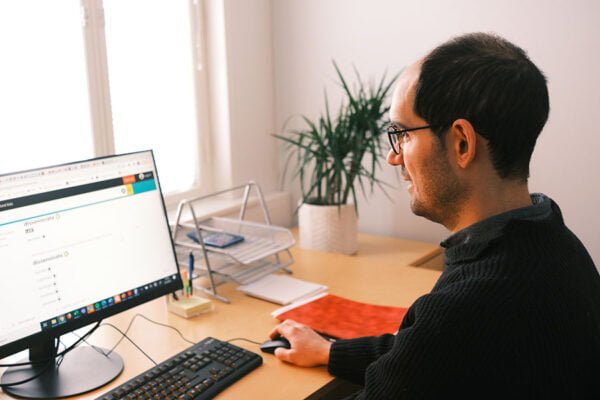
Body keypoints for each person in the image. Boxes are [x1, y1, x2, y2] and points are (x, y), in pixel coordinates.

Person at [269, 32, 600, 398]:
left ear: (461, 143)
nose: (393, 157)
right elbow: (427, 352)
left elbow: (442, 341)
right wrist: (329, 351)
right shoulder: (554, 242)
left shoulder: (470, 306)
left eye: (403, 134)